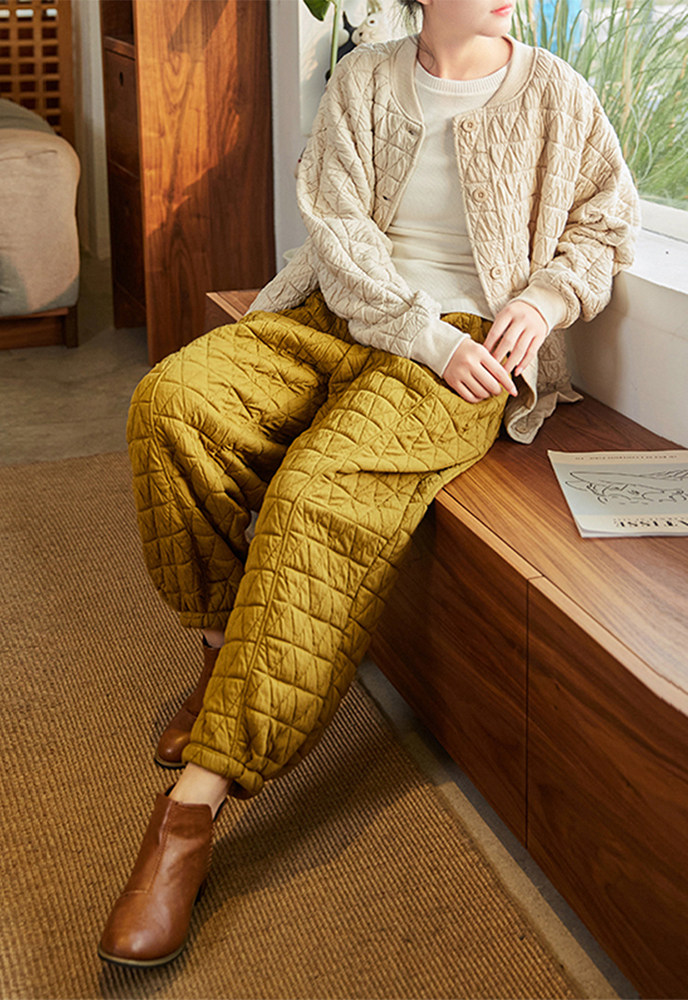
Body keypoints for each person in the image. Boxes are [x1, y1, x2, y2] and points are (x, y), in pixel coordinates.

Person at [98, 0, 639, 968]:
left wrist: (545, 295)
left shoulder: (557, 93)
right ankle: (222, 651)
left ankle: (190, 811)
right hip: (342, 317)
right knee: (171, 405)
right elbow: (339, 239)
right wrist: (416, 331)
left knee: (315, 497)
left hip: (467, 355)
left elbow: (605, 225)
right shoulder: (364, 80)